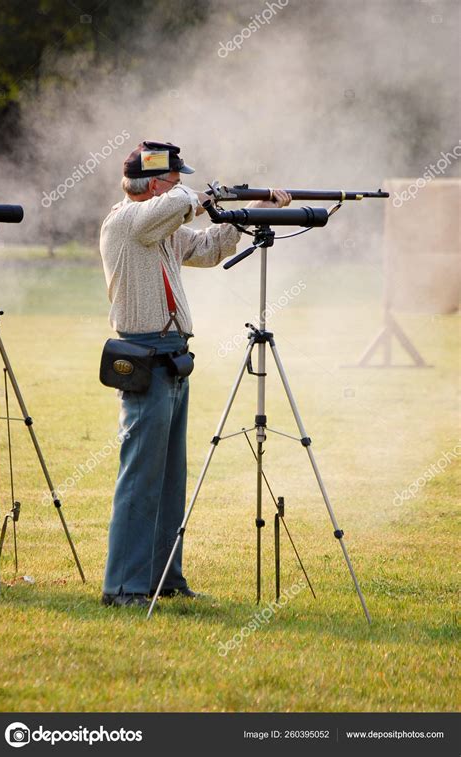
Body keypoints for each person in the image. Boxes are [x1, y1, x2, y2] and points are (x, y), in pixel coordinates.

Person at [100, 138, 291, 607]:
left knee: (168, 475)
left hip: (172, 356)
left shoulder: (160, 225)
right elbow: (178, 207)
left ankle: (165, 577)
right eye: (175, 177)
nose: (183, 183)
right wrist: (203, 196)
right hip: (145, 353)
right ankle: (124, 586)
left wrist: (251, 207)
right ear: (158, 182)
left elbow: (208, 249)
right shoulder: (128, 220)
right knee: (141, 475)